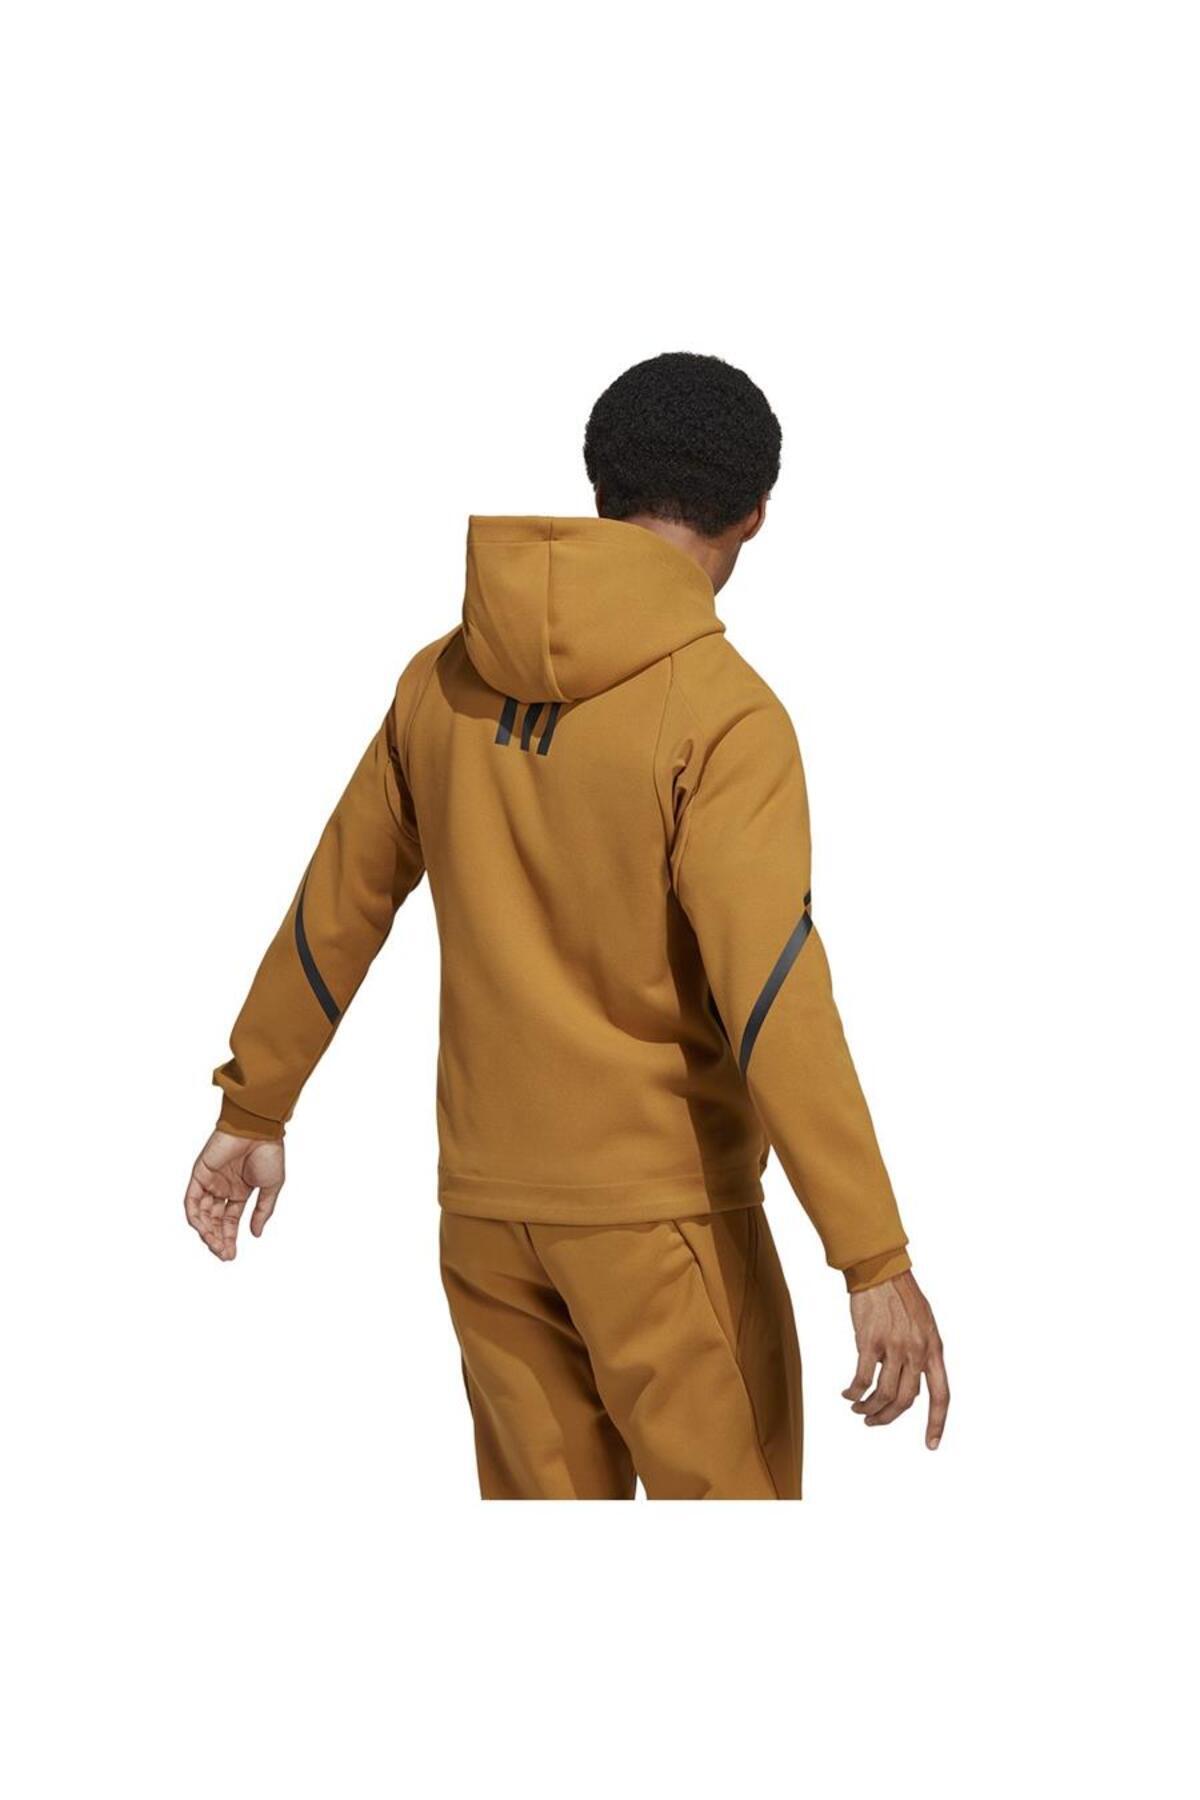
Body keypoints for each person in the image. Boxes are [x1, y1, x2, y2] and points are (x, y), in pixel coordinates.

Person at [184, 351, 949, 1499]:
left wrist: (256, 1105)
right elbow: (773, 994)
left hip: (485, 1222)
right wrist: (871, 1255)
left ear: (600, 486)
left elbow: (336, 904)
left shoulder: (439, 681)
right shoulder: (724, 716)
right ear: (756, 511)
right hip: (665, 1225)